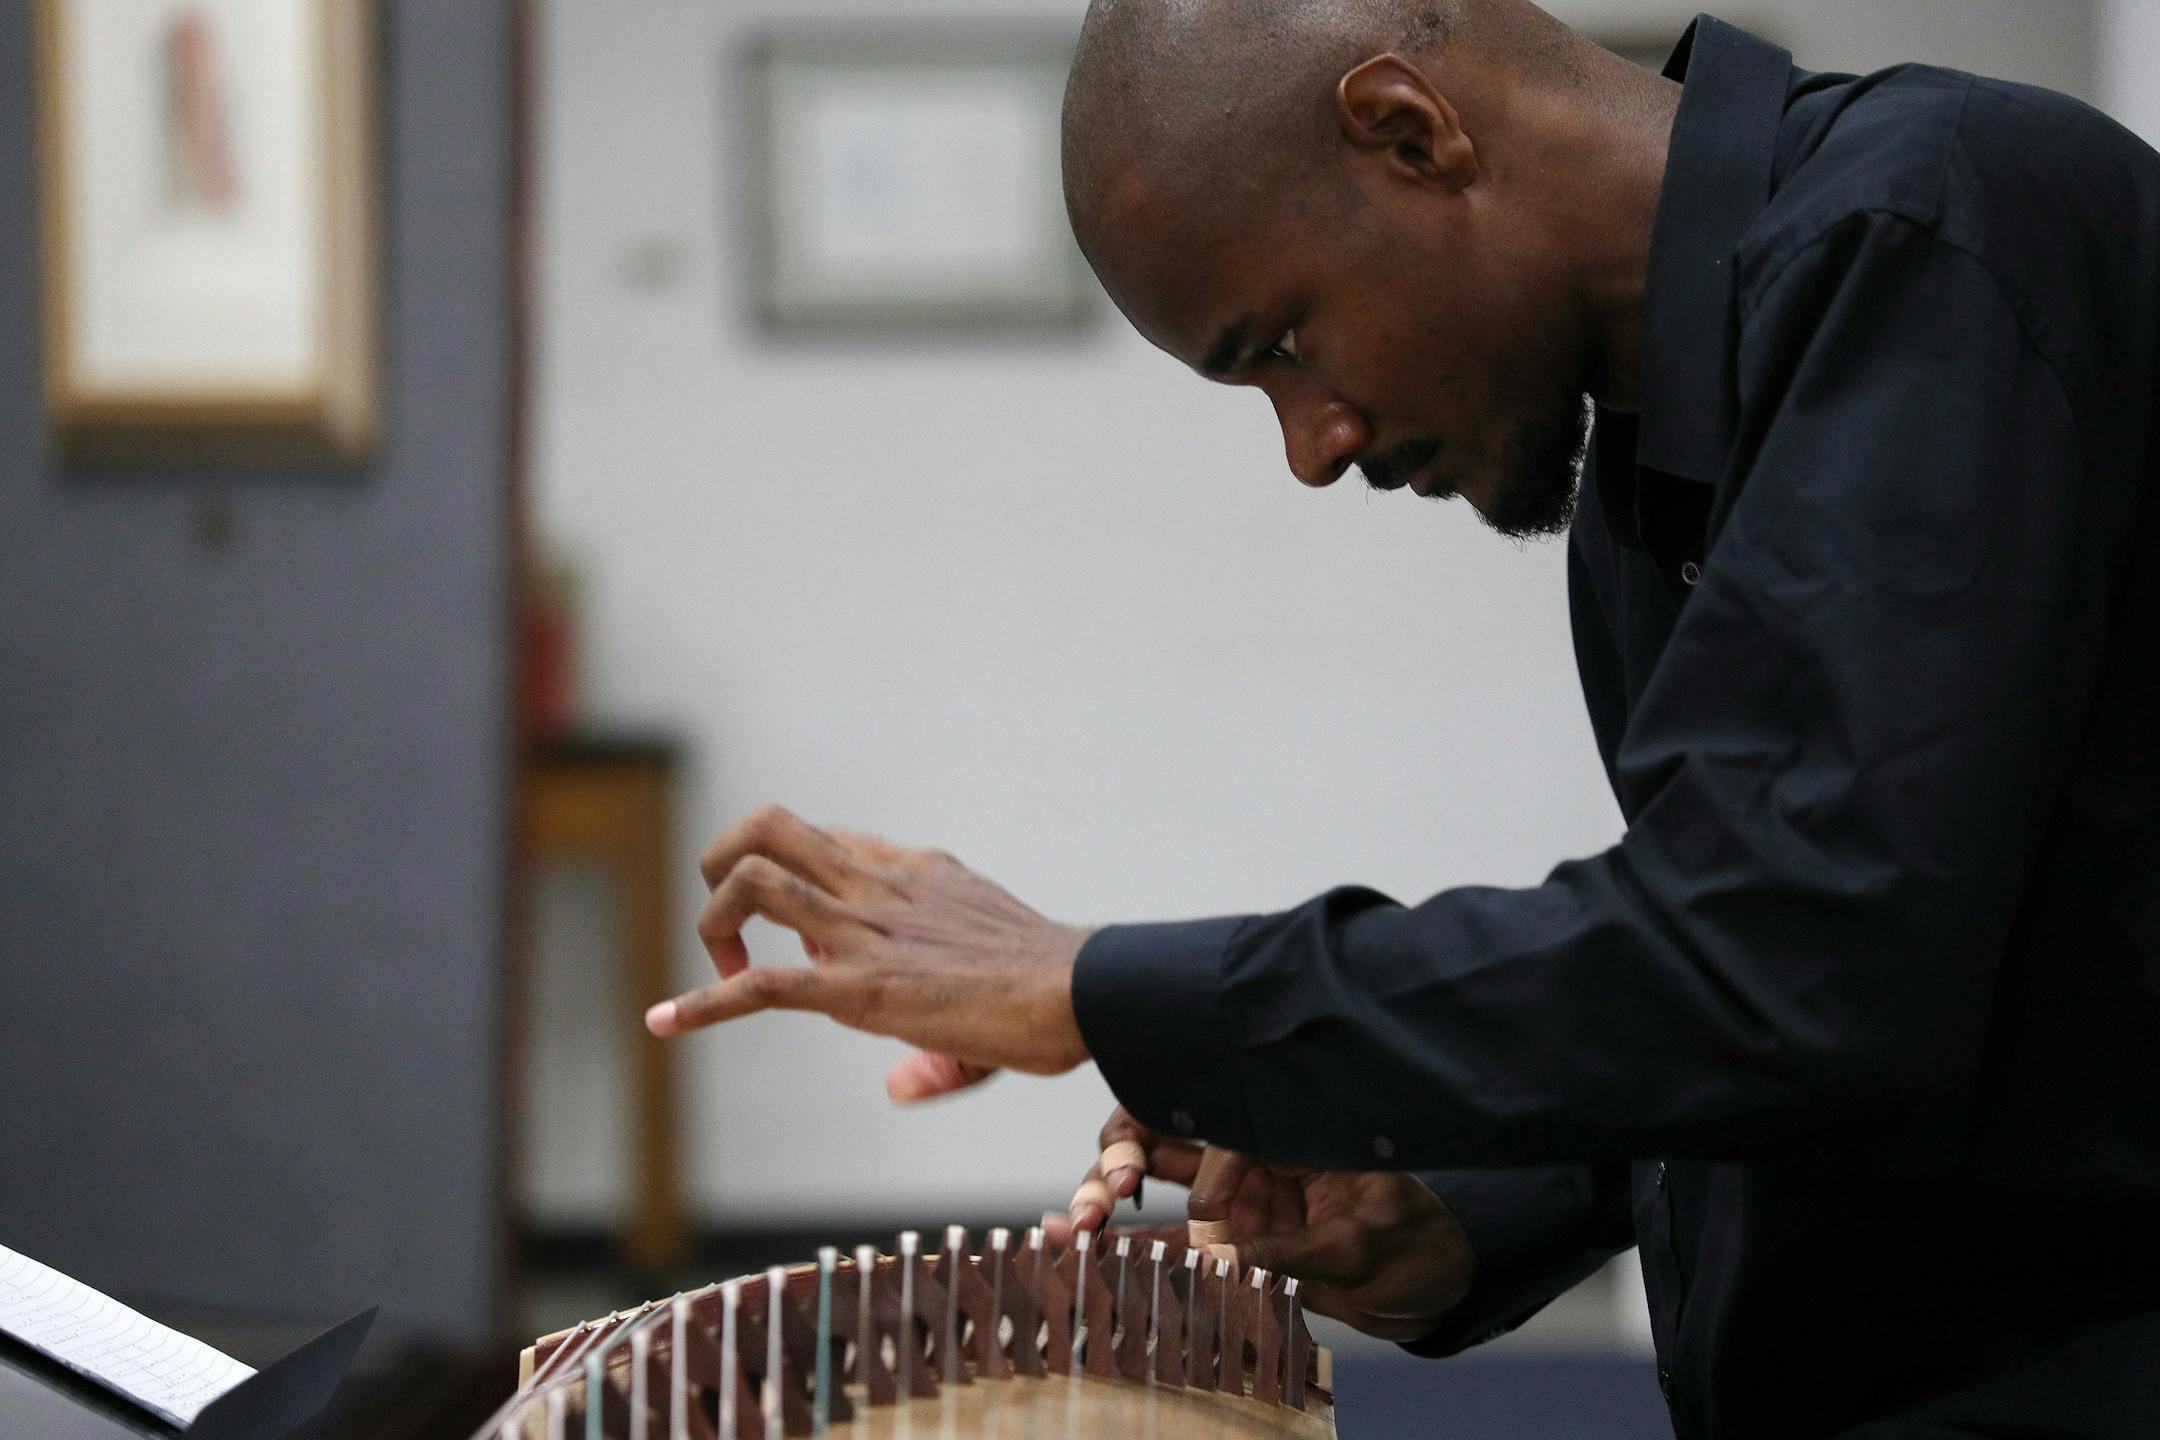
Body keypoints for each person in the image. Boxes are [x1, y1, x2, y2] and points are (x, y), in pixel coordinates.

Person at [645, 3, 2160, 1434]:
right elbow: (1783, 988)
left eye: (1282, 346)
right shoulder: (1650, 452)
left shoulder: (1934, 230)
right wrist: (1451, 1219)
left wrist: (1098, 991)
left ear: (1413, 132)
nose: (1313, 447)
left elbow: (1800, 957)